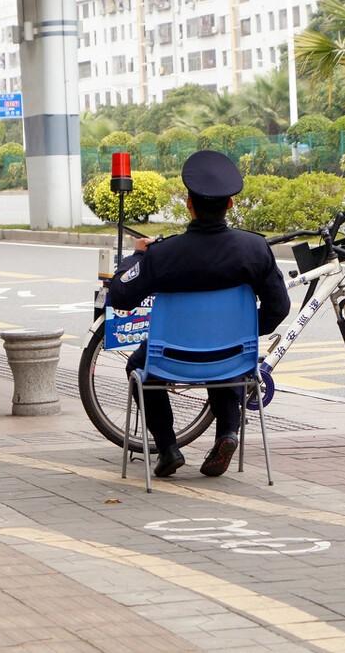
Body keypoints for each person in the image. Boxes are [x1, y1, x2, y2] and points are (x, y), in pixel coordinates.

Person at [107, 150, 290, 478]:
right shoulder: (254, 249)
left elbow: (121, 296)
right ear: (230, 205)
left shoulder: (163, 255)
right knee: (226, 355)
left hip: (171, 358)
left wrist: (136, 258)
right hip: (232, 357)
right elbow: (279, 308)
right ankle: (228, 433)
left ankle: (167, 448)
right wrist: (244, 332)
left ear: (189, 204)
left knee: (137, 365)